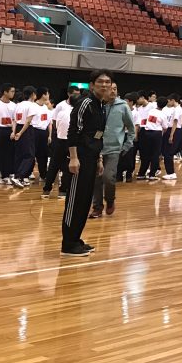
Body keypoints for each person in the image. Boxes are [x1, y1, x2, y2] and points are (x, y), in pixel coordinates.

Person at [62, 69, 112, 257]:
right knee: (75, 201)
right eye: (101, 82)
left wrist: (98, 159)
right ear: (92, 85)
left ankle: (76, 240)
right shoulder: (85, 103)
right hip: (80, 159)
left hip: (92, 158)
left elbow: (96, 136)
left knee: (84, 201)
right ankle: (68, 244)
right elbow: (73, 132)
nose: (105, 85)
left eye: (108, 82)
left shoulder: (101, 105)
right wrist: (74, 158)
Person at [89, 81, 135, 218]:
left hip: (114, 149)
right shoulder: (97, 105)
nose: (113, 92)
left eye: (115, 89)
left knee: (108, 177)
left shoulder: (123, 106)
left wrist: (126, 145)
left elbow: (131, 129)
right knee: (96, 179)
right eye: (111, 89)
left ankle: (110, 200)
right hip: (97, 148)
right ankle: (97, 207)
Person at [42, 86, 78, 198]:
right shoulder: (61, 106)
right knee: (54, 165)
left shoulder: (78, 109)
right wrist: (56, 135)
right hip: (60, 140)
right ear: (69, 94)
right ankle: (47, 189)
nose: (77, 96)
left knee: (67, 167)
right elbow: (54, 120)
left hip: (71, 142)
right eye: (75, 94)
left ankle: (63, 190)